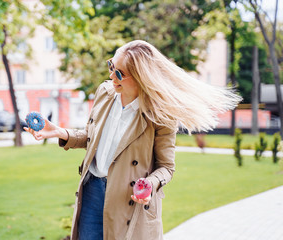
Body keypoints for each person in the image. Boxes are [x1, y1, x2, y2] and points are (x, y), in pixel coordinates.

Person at [24, 40, 241, 240]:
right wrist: (60, 132)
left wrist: (149, 185)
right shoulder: (105, 93)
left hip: (128, 199)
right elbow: (93, 137)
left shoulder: (160, 115)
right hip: (92, 191)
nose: (111, 77)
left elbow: (166, 167)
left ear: (140, 77)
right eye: (111, 67)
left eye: (119, 73)